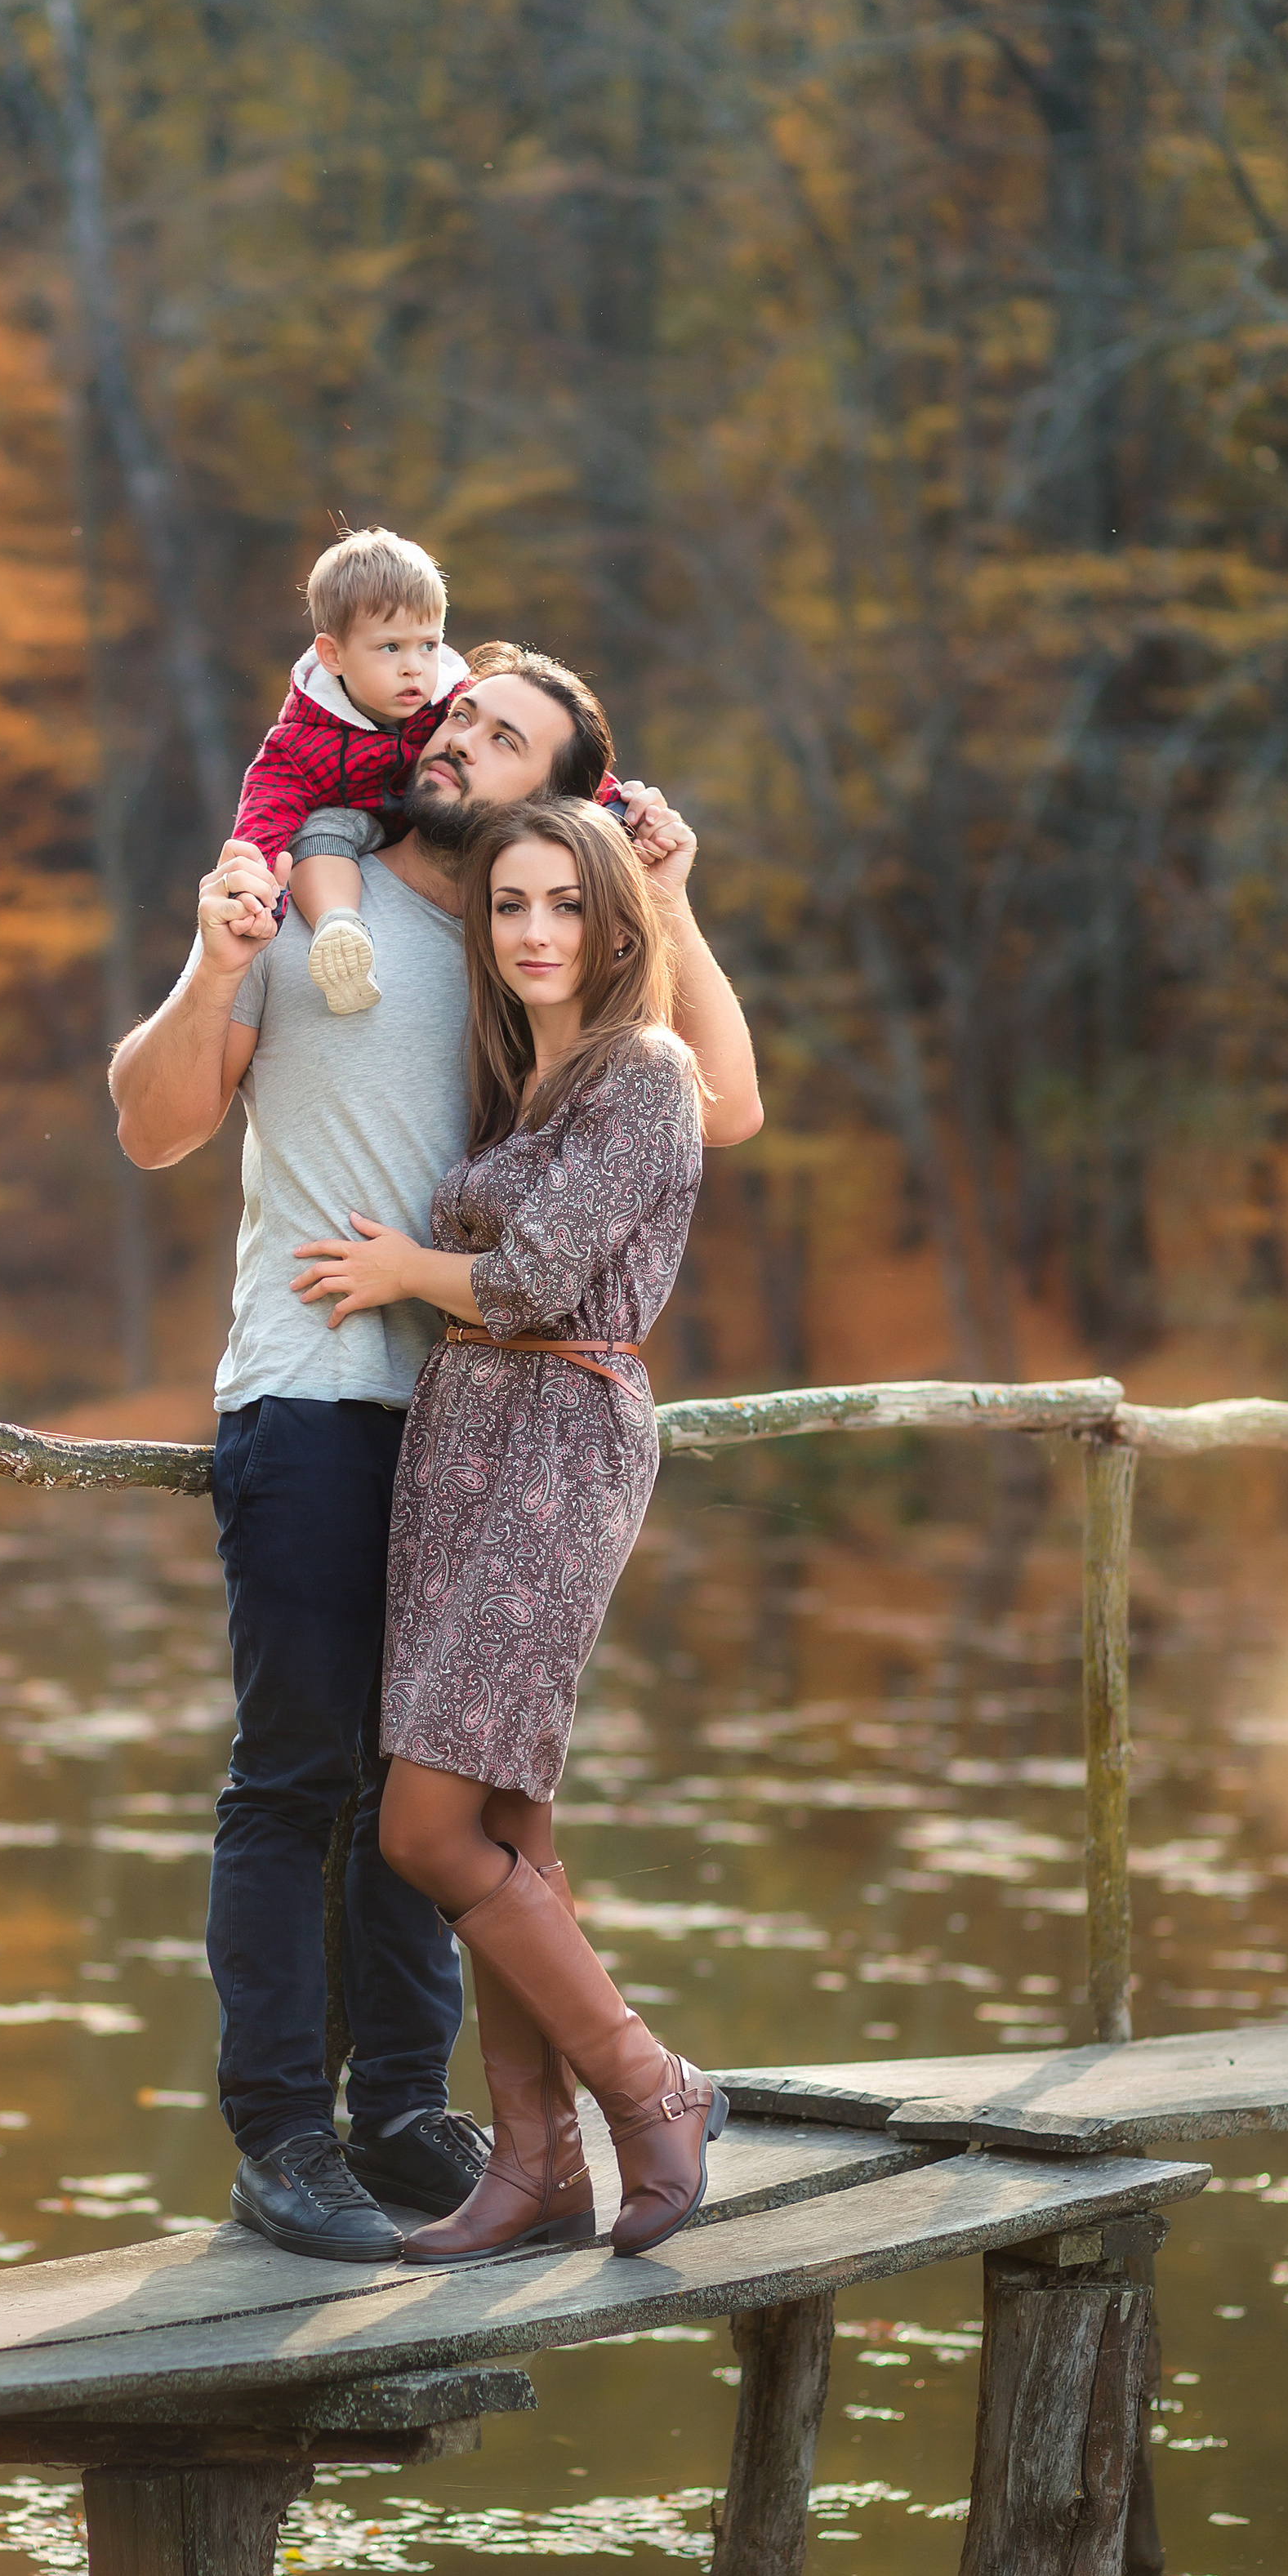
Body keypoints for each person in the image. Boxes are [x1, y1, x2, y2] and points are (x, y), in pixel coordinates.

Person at [109, 648, 760, 2262]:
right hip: (322, 1395)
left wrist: (664, 902)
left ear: (557, 805)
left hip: (490, 1422)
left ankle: (414, 2120)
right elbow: (146, 1124)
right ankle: (285, 2140)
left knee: (438, 1799)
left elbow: (715, 1103)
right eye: (449, 718)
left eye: (494, 734)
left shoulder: (514, 943)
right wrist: (212, 966)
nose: (451, 741)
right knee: (302, 1779)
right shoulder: (310, 907)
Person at [291, 799, 723, 2263]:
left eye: (562, 906)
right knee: (503, 1820)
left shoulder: (645, 1076)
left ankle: (650, 2088)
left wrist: (404, 1265)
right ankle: (535, 2165)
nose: (533, 932)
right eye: (508, 906)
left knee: (423, 1826)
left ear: (615, 928)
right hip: (462, 1443)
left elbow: (535, 1279)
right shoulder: (517, 1085)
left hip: (560, 1437)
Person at [231, 528, 623, 1022]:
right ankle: (340, 928)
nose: (414, 669)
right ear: (333, 655)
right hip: (360, 833)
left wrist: (621, 805)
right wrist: (254, 883)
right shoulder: (301, 740)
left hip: (429, 829)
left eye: (428, 645)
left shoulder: (450, 695)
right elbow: (267, 809)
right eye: (390, 648)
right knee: (324, 829)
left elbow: (561, 763)